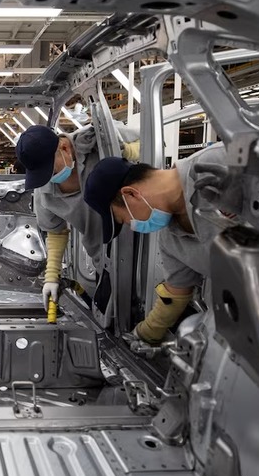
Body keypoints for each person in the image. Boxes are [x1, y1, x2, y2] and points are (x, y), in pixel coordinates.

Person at [82, 144, 234, 345]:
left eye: (125, 219)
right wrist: (143, 334)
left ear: (131, 194)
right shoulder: (170, 240)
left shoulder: (218, 162)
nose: (132, 226)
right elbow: (175, 295)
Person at [15, 124, 139, 313]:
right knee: (113, 317)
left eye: (51, 171)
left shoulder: (100, 138)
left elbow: (155, 142)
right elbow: (56, 232)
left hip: (144, 250)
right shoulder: (44, 191)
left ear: (64, 148)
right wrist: (51, 276)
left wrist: (128, 152)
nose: (48, 179)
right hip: (105, 262)